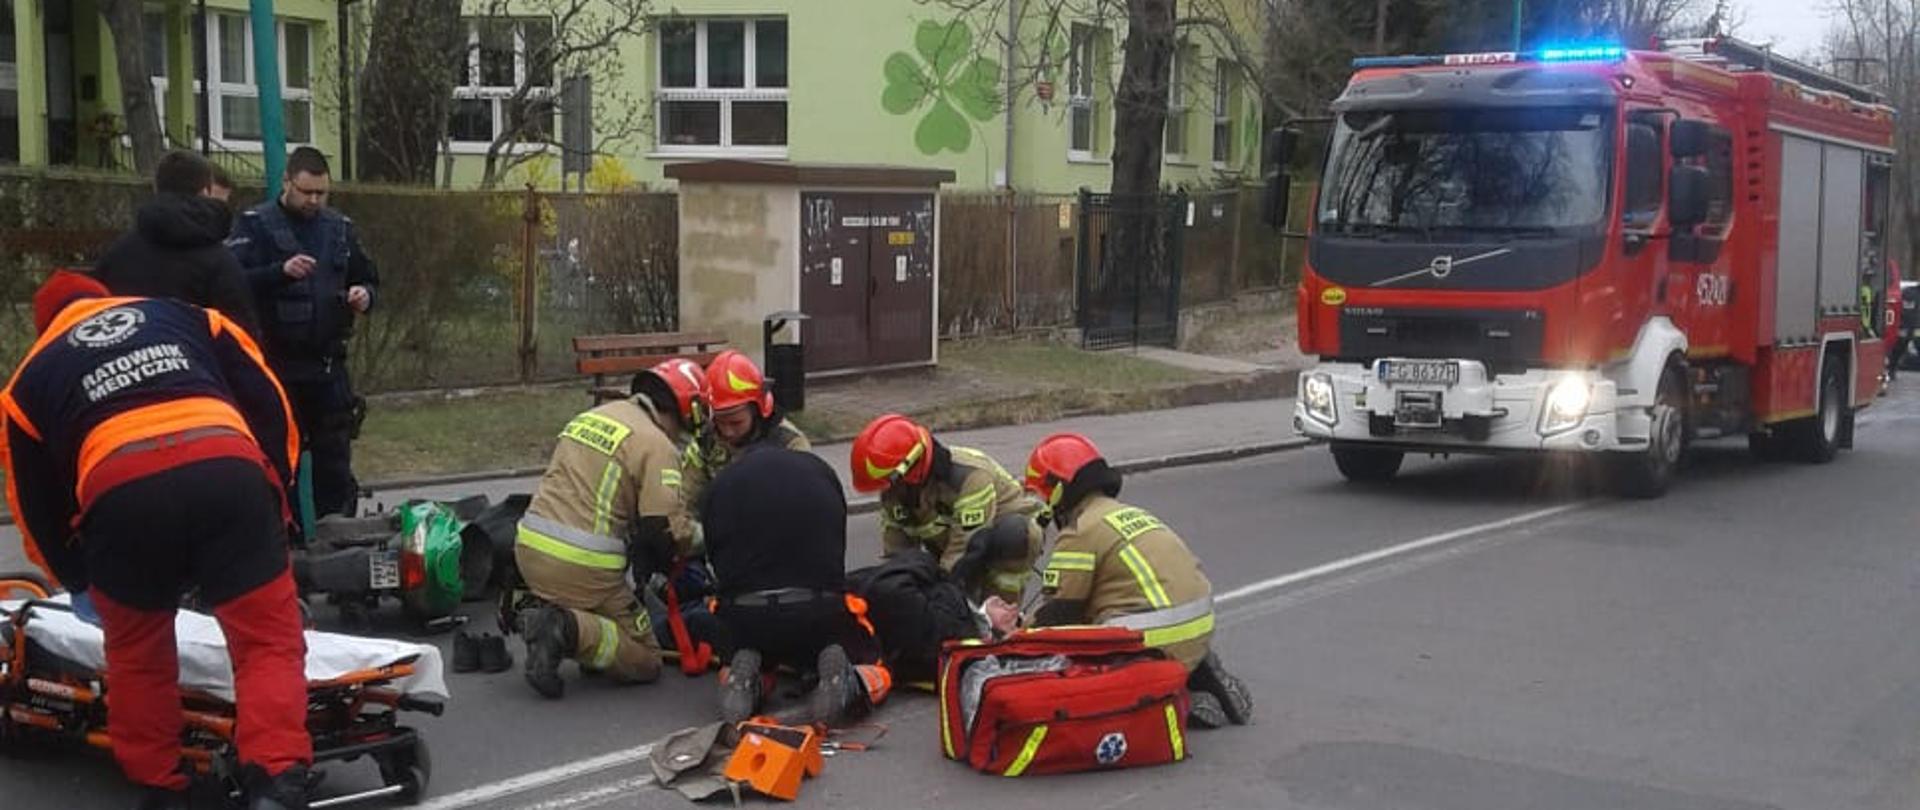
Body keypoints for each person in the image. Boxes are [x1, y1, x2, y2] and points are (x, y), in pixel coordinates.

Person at [1, 272, 311, 809]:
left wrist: (75, 579)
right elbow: (268, 398)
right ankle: (276, 780)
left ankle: (163, 786)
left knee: (139, 655)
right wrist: (275, 491)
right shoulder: (186, 315)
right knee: (266, 641)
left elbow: (33, 503)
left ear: (44, 326)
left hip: (119, 493)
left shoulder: (28, 380)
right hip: (224, 468)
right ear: (107, 299)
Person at [985, 433, 1253, 730]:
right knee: (1101, 604)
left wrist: (1017, 634)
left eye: (1042, 496)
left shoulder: (1078, 531)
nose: (1044, 506)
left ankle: (1175, 697)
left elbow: (1061, 612)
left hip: (1151, 639)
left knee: (1077, 672)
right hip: (1199, 627)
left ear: (1058, 491)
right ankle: (1195, 668)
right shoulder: (1127, 514)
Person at [513, 360, 703, 699]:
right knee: (647, 658)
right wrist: (705, 538)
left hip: (528, 548)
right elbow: (665, 531)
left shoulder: (593, 417)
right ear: (685, 411)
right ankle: (565, 629)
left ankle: (565, 622)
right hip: (584, 566)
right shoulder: (658, 446)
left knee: (605, 609)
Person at [228, 146, 378, 519]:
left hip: (328, 369)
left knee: (334, 467)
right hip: (277, 368)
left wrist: (364, 295)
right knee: (279, 466)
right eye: (306, 191)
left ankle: (336, 536)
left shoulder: (339, 229)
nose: (313, 201)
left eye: (321, 193)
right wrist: (279, 272)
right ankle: (286, 540)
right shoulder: (254, 226)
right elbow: (230, 284)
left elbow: (368, 278)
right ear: (286, 183)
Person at [702, 446, 892, 725]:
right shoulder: (819, 474)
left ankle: (746, 679)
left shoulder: (722, 484)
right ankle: (851, 682)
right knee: (875, 664)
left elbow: (715, 558)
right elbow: (834, 558)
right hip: (815, 610)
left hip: (744, 616)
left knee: (742, 648)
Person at [849, 414, 1047, 603]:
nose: (886, 493)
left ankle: (1000, 625)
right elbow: (897, 555)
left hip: (1005, 539)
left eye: (888, 484)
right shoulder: (895, 489)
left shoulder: (969, 477)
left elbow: (965, 550)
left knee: (1011, 536)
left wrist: (940, 600)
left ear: (910, 469)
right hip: (953, 546)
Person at [91, 149, 260, 335]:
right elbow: (241, 332)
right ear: (206, 190)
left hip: (129, 357)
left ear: (156, 187)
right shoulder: (219, 260)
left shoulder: (119, 253)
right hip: (196, 358)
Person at [676, 350, 810, 516]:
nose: (727, 431)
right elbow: (683, 504)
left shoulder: (790, 445)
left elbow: (807, 505)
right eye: (719, 421)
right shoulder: (705, 442)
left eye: (736, 422)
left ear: (757, 411)